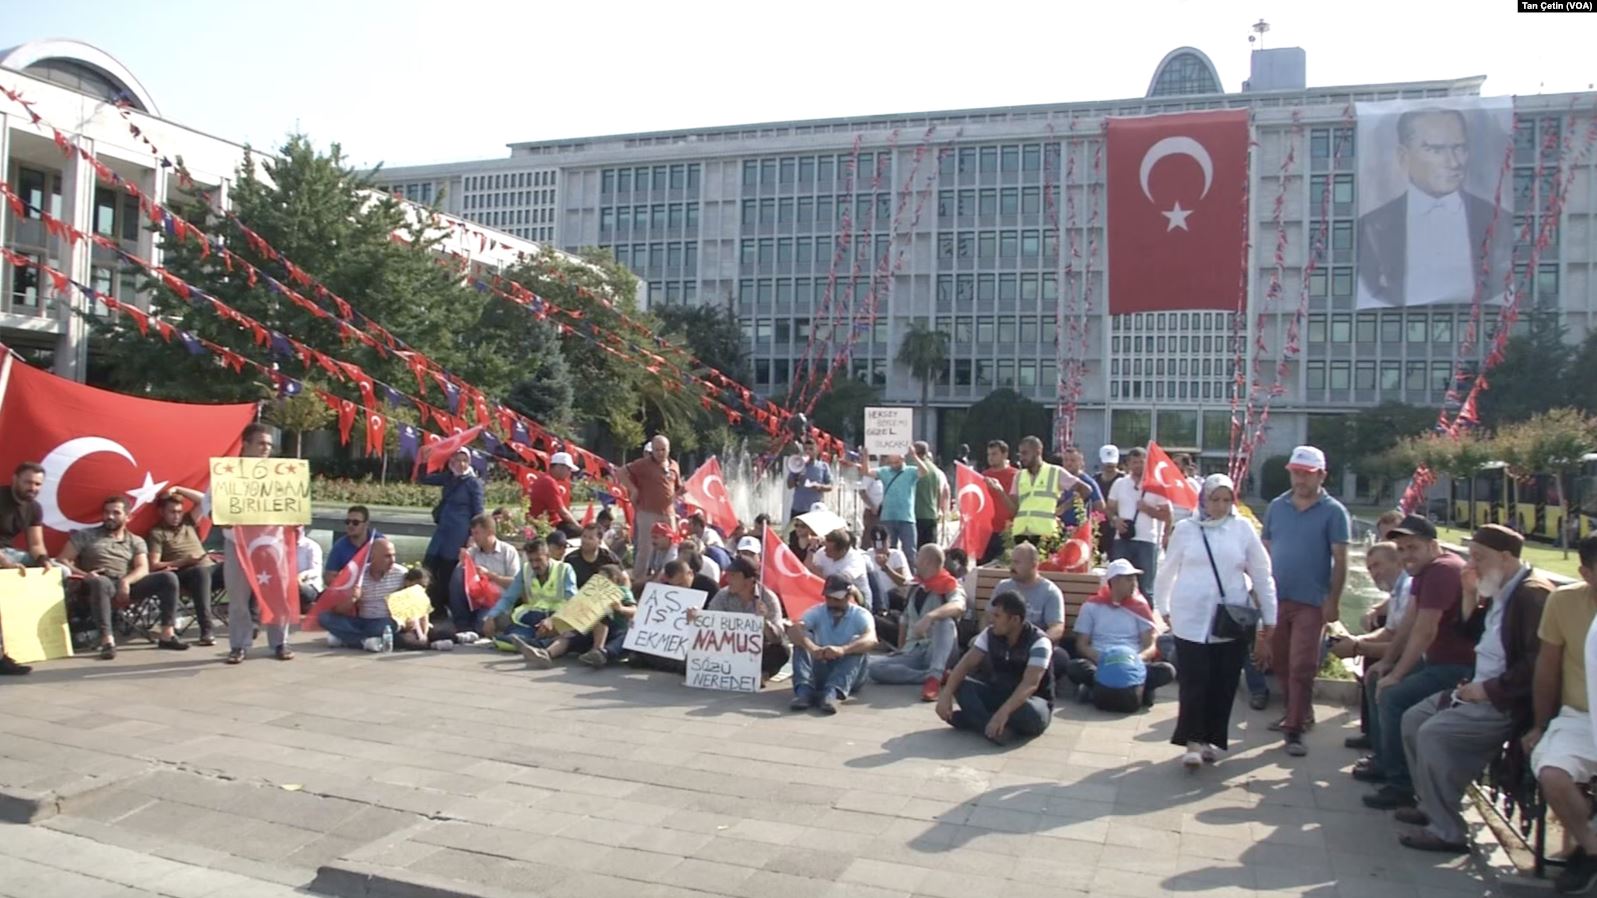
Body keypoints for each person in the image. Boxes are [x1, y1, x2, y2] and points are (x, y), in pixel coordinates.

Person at [1393, 524, 1550, 854]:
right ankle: (1431, 805)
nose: (1471, 565)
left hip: (1504, 703)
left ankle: (1448, 831)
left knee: (1433, 734)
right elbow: (1472, 635)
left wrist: (1488, 690)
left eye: (1479, 558)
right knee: (1412, 720)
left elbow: (1536, 666)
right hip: (1475, 690)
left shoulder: (1532, 595)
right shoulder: (1502, 588)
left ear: (1506, 558)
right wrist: (1468, 594)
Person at [1154, 474, 1277, 769]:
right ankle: (1192, 741)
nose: (1220, 506)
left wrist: (1270, 617)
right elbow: (1167, 570)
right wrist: (1163, 607)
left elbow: (1262, 573)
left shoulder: (1242, 529)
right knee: (1194, 681)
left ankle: (1210, 738)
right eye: (1214, 499)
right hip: (1190, 616)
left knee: (1223, 682)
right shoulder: (1186, 529)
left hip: (1230, 619)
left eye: (1226, 500)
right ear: (1203, 499)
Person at [1358, 515, 1474, 810]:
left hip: (1456, 668)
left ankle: (1401, 785)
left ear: (1432, 545)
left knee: (1394, 696)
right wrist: (1387, 662)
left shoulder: (1442, 571)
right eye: (1402, 549)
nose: (1407, 555)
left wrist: (1396, 674)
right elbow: (1408, 623)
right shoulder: (1426, 571)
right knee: (1375, 677)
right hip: (1437, 661)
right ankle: (1385, 760)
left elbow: (1425, 630)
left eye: (1413, 547)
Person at [1357, 107, 1511, 307]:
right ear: (1404, 157)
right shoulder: (1373, 227)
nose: (1454, 163)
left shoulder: (1497, 219)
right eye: (1436, 150)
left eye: (1460, 148)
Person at [1261, 445, 1351, 756]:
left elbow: (1341, 559)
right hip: (1278, 598)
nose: (1299, 479)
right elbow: (1266, 549)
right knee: (1281, 661)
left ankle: (1294, 728)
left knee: (1302, 663)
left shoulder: (1333, 511)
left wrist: (1333, 600)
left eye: (1306, 474)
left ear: (1321, 475)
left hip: (1311, 600)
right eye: (1296, 473)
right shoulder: (1277, 506)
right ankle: (1299, 711)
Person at [1525, 535, 1597, 893]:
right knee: (1553, 773)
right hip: (1581, 717)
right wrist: (1540, 724)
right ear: (1586, 572)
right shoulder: (1564, 603)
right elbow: (1547, 669)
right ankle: (1591, 847)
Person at [206, 423, 295, 664]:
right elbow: (209, 504)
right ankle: (239, 645)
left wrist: (295, 520)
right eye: (261, 443)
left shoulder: (281, 474)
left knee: (278, 596)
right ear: (246, 445)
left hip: (271, 545)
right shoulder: (227, 473)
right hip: (239, 544)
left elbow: (292, 503)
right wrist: (218, 516)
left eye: (269, 444)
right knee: (238, 599)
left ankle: (280, 642)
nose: (266, 448)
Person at [57, 496, 184, 659]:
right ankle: (107, 641)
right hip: (97, 581)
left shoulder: (135, 541)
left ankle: (167, 634)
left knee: (168, 577)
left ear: (128, 517)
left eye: (116, 513)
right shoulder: (86, 535)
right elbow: (63, 560)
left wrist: (126, 581)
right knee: (100, 582)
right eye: (107, 512)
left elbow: (143, 568)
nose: (109, 517)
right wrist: (84, 575)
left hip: (126, 582)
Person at [936, 591, 1054, 745]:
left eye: (998, 616)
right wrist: (945, 694)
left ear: (1015, 619)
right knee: (960, 684)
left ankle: (976, 721)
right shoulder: (990, 634)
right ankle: (992, 728)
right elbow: (965, 665)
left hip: (1029, 702)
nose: (992, 620)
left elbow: (1030, 684)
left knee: (1033, 714)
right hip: (999, 694)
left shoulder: (1039, 642)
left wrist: (1002, 714)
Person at [1067, 559, 1177, 712]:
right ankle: (1139, 689)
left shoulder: (1140, 606)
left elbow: (1151, 644)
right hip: (1101, 661)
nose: (1134, 584)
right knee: (1074, 667)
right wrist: (1101, 658)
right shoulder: (1092, 606)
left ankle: (1098, 689)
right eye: (1129, 579)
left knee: (1167, 670)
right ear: (1115, 581)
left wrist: (1138, 658)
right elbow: (1082, 644)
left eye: (1134, 579)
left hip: (1133, 661)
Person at [1331, 541, 1406, 750]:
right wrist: (1357, 641)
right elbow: (1389, 632)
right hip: (1408, 656)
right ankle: (1376, 743)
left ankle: (1389, 762)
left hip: (1423, 660)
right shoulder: (1399, 590)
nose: (1373, 573)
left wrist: (1358, 648)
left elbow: (1404, 644)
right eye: (1370, 568)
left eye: (1377, 565)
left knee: (1384, 685)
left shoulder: (1409, 589)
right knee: (1373, 674)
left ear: (1398, 563)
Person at [868, 544, 966, 700]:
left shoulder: (949, 584)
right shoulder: (916, 586)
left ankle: (934, 680)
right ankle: (933, 676)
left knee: (945, 623)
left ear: (927, 561)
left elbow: (959, 606)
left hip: (938, 649)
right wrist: (900, 649)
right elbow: (904, 620)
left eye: (918, 557)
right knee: (873, 668)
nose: (915, 561)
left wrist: (931, 616)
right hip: (913, 650)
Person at [514, 565, 636, 669]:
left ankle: (598, 652)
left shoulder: (622, 592)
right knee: (570, 637)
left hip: (615, 631)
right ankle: (546, 654)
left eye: (603, 578)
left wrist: (620, 608)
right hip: (591, 631)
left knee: (602, 617)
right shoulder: (592, 593)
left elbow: (634, 610)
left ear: (614, 579)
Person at [788, 575, 878, 713]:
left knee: (857, 643)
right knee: (802, 639)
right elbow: (795, 630)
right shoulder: (817, 611)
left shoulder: (861, 614)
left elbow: (871, 639)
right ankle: (804, 691)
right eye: (829, 598)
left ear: (848, 596)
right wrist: (812, 648)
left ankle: (833, 693)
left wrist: (843, 650)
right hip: (822, 664)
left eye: (837, 599)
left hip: (851, 673)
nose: (832, 603)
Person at [0, 462, 54, 674]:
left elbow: (35, 545)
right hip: (3, 556)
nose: (33, 488)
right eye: (28, 482)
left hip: (11, 553)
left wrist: (44, 561)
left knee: (62, 572)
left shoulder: (34, 508)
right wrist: (4, 562)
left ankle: (31, 641)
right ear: (15, 479)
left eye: (38, 484)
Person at [145, 492, 217, 647]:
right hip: (186, 572)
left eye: (179, 512)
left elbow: (205, 500)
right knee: (200, 572)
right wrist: (184, 561)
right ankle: (207, 631)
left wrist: (179, 488)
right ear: (162, 512)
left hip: (210, 567)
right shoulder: (157, 533)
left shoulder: (188, 521)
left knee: (242, 568)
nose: (176, 516)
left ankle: (253, 622)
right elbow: (154, 564)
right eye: (172, 512)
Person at [699, 557, 790, 680]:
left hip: (757, 651)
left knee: (782, 650)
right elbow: (710, 621)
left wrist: (763, 621)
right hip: (727, 647)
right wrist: (697, 618)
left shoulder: (768, 598)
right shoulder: (723, 595)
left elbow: (777, 638)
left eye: (733, 576)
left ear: (750, 580)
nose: (728, 579)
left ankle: (761, 674)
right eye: (728, 575)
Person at [421, 447, 486, 616]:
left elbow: (478, 512)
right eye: (457, 460)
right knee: (430, 565)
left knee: (448, 570)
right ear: (451, 462)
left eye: (465, 460)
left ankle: (445, 609)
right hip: (443, 530)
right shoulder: (449, 478)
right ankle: (431, 605)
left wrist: (473, 536)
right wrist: (425, 460)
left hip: (459, 531)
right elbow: (424, 478)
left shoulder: (473, 483)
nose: (461, 464)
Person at [481, 538, 575, 649]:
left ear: (548, 556)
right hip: (532, 619)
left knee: (563, 631)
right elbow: (509, 597)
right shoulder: (526, 569)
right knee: (508, 639)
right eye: (531, 561)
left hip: (556, 618)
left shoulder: (564, 569)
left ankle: (541, 642)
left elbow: (572, 602)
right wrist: (491, 617)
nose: (534, 565)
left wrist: (552, 620)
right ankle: (535, 642)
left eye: (538, 560)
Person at [991, 542, 1067, 678]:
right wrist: (990, 637)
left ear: (1034, 565)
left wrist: (1037, 644)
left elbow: (1057, 628)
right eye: (1011, 562)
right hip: (1004, 641)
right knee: (977, 644)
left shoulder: (1050, 591)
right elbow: (988, 617)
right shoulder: (1003, 587)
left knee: (1060, 657)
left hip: (1033, 644)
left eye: (1017, 562)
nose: (1012, 567)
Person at [997, 435, 1090, 545]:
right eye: (1020, 453)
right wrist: (1000, 491)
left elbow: (1085, 490)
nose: (1022, 457)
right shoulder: (1019, 476)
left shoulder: (1055, 472)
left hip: (1045, 533)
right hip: (1022, 533)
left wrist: (1063, 508)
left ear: (1038, 451)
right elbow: (1014, 510)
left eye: (1025, 453)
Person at [318, 538, 406, 652]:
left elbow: (415, 601)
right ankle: (364, 641)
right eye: (387, 556)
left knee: (389, 625)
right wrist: (352, 599)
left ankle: (346, 639)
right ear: (373, 557)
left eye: (394, 555)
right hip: (361, 621)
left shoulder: (401, 574)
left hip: (385, 620)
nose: (392, 560)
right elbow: (338, 610)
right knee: (324, 617)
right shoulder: (358, 575)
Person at [1107, 447, 1170, 597]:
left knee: (1146, 587)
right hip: (1123, 539)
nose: (1138, 466)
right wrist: (1115, 520)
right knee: (1118, 582)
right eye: (1134, 462)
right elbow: (1109, 509)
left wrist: (1148, 509)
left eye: (1141, 462)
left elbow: (1167, 515)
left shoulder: (1156, 486)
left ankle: (1146, 617)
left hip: (1147, 540)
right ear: (1128, 464)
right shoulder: (1120, 483)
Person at [619, 435, 682, 584]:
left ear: (668, 449)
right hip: (648, 512)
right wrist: (633, 489)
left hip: (668, 513)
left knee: (671, 546)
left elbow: (676, 488)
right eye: (656, 450)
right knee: (645, 548)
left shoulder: (674, 465)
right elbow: (620, 472)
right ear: (651, 450)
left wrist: (681, 493)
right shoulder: (643, 464)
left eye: (663, 449)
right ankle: (638, 580)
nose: (660, 453)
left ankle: (667, 579)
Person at [448, 513, 523, 633]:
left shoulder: (508, 551)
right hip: (476, 599)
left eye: (477, 533)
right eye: (472, 533)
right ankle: (462, 623)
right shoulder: (474, 551)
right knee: (458, 572)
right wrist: (464, 562)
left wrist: (490, 576)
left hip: (496, 600)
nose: (474, 537)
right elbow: (460, 581)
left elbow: (515, 584)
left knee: (482, 625)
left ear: (489, 532)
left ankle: (478, 624)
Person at [857, 445, 930, 554]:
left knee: (910, 550)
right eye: (891, 463)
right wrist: (866, 456)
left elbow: (924, 472)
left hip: (906, 517)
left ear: (903, 459)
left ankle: (909, 570)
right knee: (888, 549)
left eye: (896, 463)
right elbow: (866, 472)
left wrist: (914, 455)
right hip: (888, 516)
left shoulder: (911, 471)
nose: (893, 466)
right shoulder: (885, 471)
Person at [978, 440, 1019, 565]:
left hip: (1006, 531)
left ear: (1005, 455)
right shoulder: (984, 476)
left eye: (994, 454)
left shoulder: (1015, 475)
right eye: (989, 454)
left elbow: (1016, 505)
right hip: (986, 531)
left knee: (1003, 566)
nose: (990, 458)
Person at [527, 452, 582, 539]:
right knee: (582, 533)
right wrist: (579, 528)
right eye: (569, 469)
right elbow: (563, 512)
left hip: (542, 522)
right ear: (560, 467)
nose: (569, 474)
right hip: (547, 525)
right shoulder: (549, 482)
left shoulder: (544, 478)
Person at [862, 523, 912, 613]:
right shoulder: (866, 556)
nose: (880, 547)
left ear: (889, 541)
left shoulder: (896, 555)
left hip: (894, 597)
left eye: (882, 543)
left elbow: (904, 582)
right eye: (876, 543)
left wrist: (885, 567)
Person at [808, 528, 870, 599]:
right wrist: (812, 549)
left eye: (830, 550)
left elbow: (839, 583)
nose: (825, 551)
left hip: (855, 597)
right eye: (825, 547)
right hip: (828, 594)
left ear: (843, 550)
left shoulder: (855, 560)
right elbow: (807, 570)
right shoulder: (822, 552)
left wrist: (816, 572)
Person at [1058, 445, 1106, 534]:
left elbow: (1100, 508)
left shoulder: (1088, 482)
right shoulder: (1057, 479)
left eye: (1072, 460)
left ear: (1081, 462)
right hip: (1058, 529)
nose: (1069, 463)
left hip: (1079, 530)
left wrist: (1090, 526)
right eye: (1066, 460)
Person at [911, 441, 950, 549]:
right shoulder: (935, 470)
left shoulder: (914, 468)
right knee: (930, 549)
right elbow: (941, 492)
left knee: (917, 551)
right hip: (931, 514)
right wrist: (939, 510)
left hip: (916, 514)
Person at [325, 505, 380, 580]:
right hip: (350, 587)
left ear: (366, 524)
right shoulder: (340, 546)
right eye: (347, 522)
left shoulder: (379, 542)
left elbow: (389, 570)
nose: (350, 525)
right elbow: (329, 577)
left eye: (355, 522)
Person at [787, 437, 834, 522]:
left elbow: (830, 486)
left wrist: (819, 486)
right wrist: (797, 475)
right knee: (795, 534)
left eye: (811, 449)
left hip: (815, 510)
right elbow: (789, 485)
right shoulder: (797, 465)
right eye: (805, 449)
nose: (808, 451)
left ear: (817, 450)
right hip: (798, 508)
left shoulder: (823, 466)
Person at [566, 522, 621, 588]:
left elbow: (624, 578)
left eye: (590, 538)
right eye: (584, 536)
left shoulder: (609, 558)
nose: (585, 540)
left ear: (600, 541)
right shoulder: (571, 559)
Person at [1093, 446, 1123, 561]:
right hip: (1098, 527)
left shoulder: (1123, 480)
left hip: (1116, 526)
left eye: (1112, 463)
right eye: (1107, 463)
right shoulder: (1095, 480)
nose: (1109, 466)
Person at [296, 532, 323, 613]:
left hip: (309, 586)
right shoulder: (282, 545)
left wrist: (300, 576)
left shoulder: (311, 546)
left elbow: (315, 571)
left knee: (297, 586)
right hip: (289, 585)